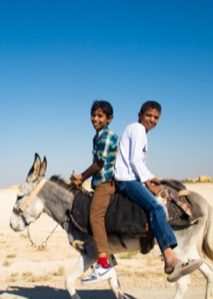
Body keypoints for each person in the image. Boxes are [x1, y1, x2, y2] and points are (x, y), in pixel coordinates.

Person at [113, 100, 202, 282]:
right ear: (140, 115)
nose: (152, 120)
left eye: (156, 118)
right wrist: (149, 184)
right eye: (149, 116)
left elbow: (138, 162)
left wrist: (153, 177)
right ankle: (169, 258)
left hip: (133, 177)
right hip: (127, 180)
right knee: (156, 207)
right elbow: (135, 161)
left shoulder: (141, 133)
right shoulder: (137, 129)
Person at [71, 100, 119, 284]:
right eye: (93, 115)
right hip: (98, 182)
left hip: (106, 183)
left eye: (100, 116)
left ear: (109, 119)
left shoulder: (106, 136)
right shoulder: (97, 136)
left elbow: (99, 163)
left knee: (95, 216)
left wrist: (82, 177)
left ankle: (103, 263)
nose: (95, 119)